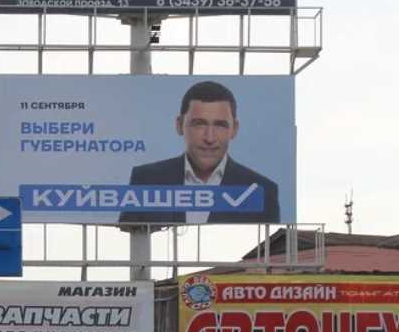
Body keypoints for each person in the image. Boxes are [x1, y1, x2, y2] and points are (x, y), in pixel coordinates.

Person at [119, 80, 280, 225]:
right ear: (179, 125)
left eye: (220, 125)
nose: (209, 138)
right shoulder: (146, 179)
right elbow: (130, 237)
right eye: (199, 124)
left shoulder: (263, 191)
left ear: (234, 129)